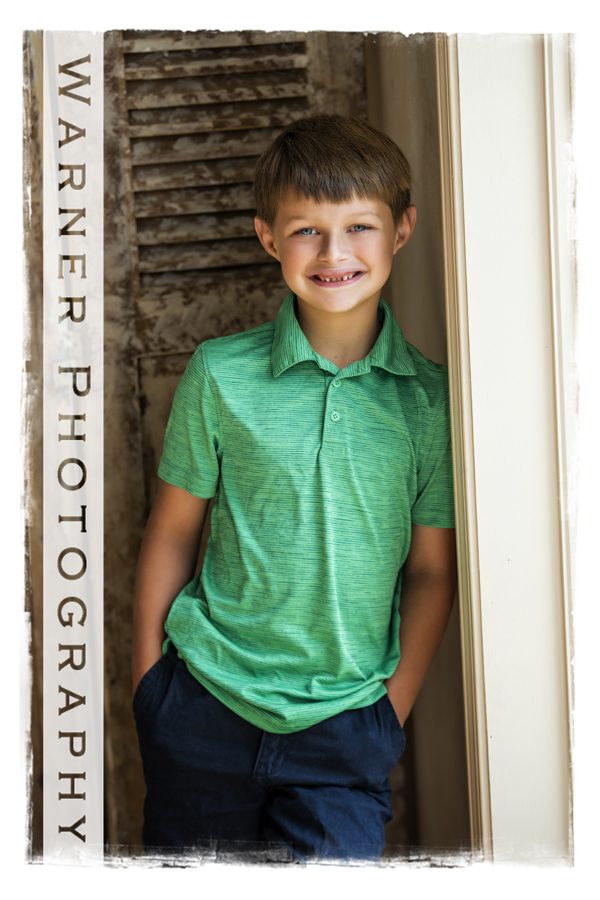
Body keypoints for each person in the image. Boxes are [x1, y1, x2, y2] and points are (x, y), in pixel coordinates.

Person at [131, 114, 457, 864]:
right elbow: (174, 530)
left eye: (359, 227)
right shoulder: (220, 374)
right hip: (202, 708)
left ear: (401, 230)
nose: (334, 253)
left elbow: (433, 571)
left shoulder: (431, 402)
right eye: (307, 230)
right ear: (268, 237)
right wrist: (151, 688)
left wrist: (388, 711)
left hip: (346, 728)